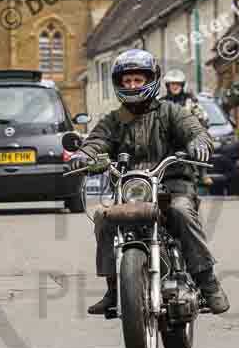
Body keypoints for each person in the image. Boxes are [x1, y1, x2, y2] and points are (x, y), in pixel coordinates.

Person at [70, 49, 230, 315]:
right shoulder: (114, 120)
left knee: (181, 211)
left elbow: (195, 130)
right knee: (103, 217)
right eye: (127, 81)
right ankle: (114, 289)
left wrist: (198, 143)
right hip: (130, 189)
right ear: (119, 84)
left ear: (151, 80)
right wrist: (84, 154)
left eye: (138, 80)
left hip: (173, 185)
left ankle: (208, 282)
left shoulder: (171, 112)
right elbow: (97, 140)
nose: (133, 85)